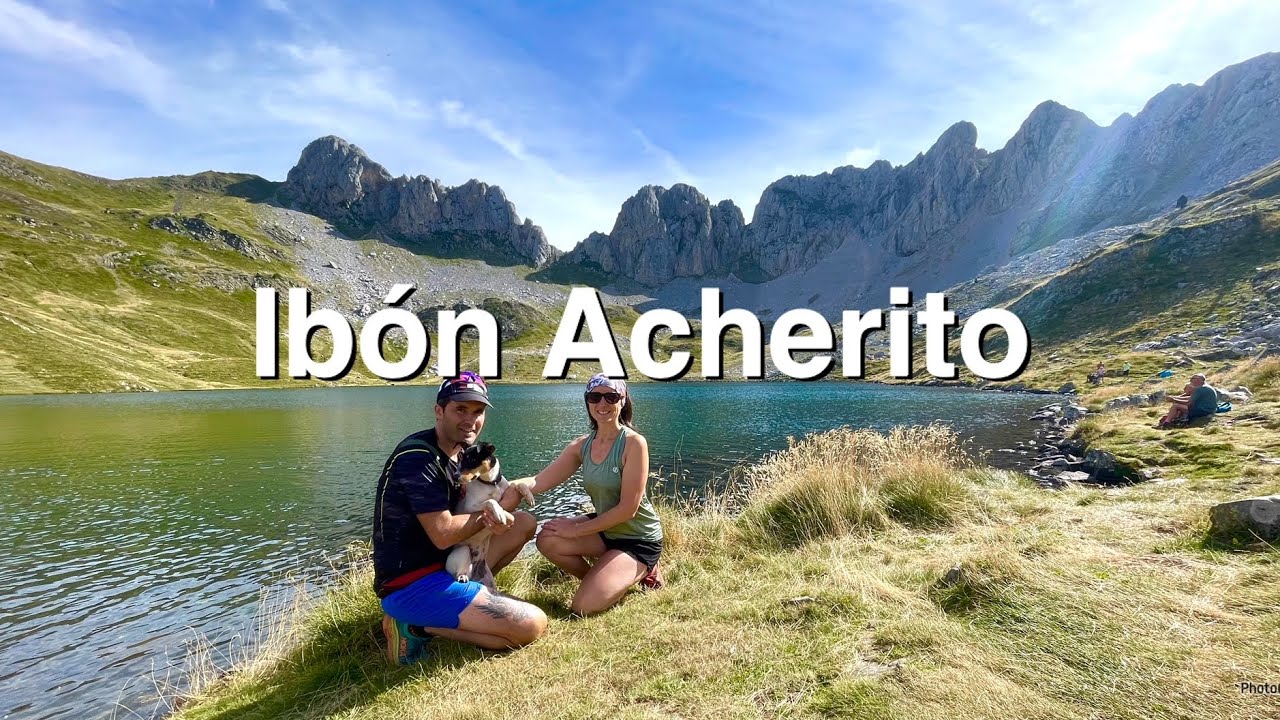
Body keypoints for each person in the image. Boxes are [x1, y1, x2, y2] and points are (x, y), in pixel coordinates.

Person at [372, 372, 547, 664]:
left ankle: (471, 594)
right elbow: (443, 534)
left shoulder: (462, 452)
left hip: (450, 561)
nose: (470, 420)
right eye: (460, 409)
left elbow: (493, 489)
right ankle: (414, 626)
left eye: (477, 411)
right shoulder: (418, 459)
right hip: (411, 582)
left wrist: (509, 496)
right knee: (531, 625)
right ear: (439, 411)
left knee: (524, 522)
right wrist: (494, 510)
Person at [523, 374, 665, 616]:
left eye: (611, 397)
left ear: (623, 400)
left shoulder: (634, 443)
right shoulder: (582, 446)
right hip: (606, 530)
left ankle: (645, 568)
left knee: (583, 608)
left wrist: (576, 530)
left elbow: (628, 509)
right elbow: (540, 481)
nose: (602, 404)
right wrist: (500, 484)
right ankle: (600, 580)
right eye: (595, 397)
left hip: (638, 537)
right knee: (547, 538)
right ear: (587, 401)